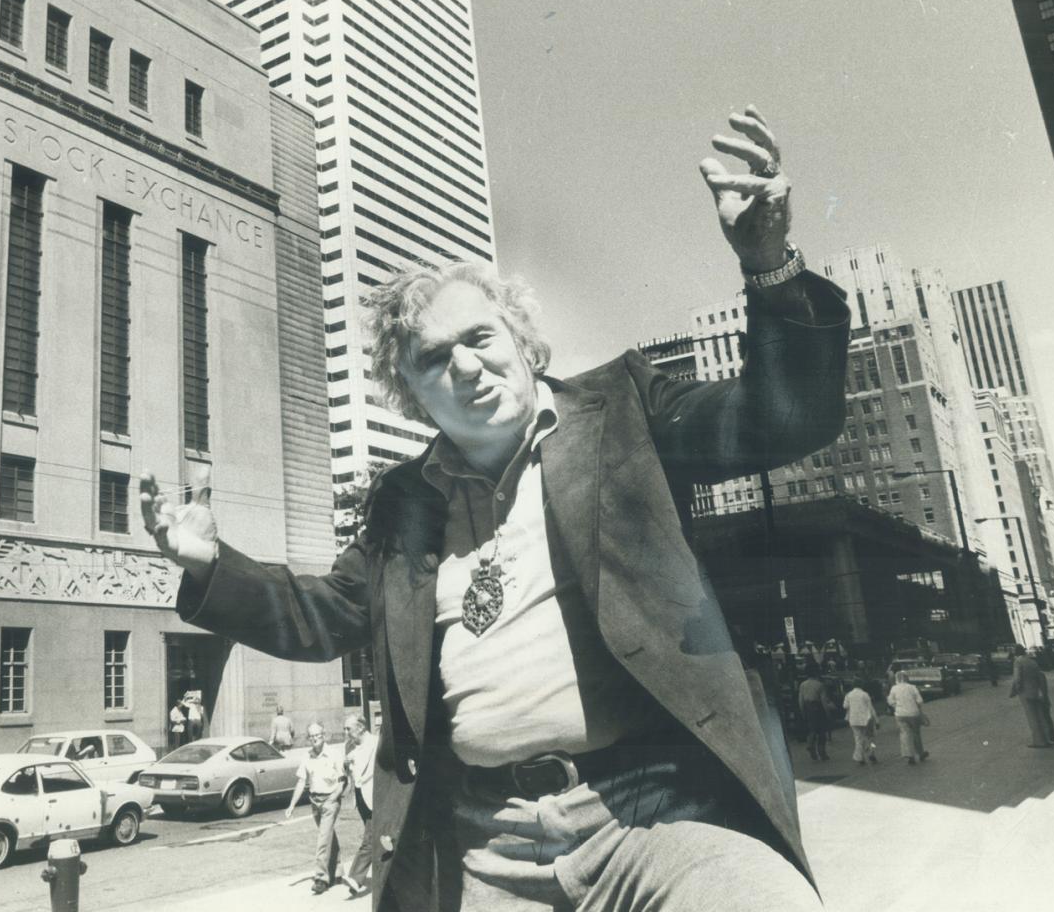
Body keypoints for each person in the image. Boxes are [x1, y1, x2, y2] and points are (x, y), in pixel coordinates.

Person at [141, 107, 848, 910]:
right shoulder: (402, 506)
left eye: (479, 337)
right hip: (484, 839)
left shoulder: (624, 409)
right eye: (434, 360)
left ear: (519, 338)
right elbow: (325, 616)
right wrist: (207, 563)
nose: (466, 367)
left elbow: (785, 417)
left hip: (656, 811)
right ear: (411, 395)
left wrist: (767, 266)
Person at [285, 721, 346, 895]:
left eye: (318, 735)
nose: (315, 739)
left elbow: (342, 781)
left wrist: (334, 798)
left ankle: (321, 878)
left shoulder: (334, 754)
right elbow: (301, 781)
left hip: (330, 800)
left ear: (324, 735)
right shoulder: (307, 756)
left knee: (322, 839)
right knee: (328, 836)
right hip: (315, 801)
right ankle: (338, 872)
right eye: (311, 736)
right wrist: (291, 805)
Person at [340, 713, 379, 897]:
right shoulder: (350, 746)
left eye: (349, 728)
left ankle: (356, 878)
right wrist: (347, 766)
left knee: (370, 838)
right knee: (376, 838)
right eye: (345, 728)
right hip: (361, 797)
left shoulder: (376, 743)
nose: (346, 732)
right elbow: (350, 773)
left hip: (375, 797)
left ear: (361, 727)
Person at [1009, 645, 1054, 748]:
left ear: (1015, 653)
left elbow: (1017, 679)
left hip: (1026, 693)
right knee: (1041, 716)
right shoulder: (1031, 661)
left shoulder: (1018, 662)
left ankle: (1039, 741)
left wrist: (1014, 691)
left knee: (1032, 718)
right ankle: (1048, 739)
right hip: (1037, 692)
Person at [886, 673, 928, 765]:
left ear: (897, 679)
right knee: (916, 733)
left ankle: (909, 755)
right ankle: (920, 753)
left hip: (900, 714)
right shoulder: (912, 687)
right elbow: (920, 701)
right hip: (913, 713)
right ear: (906, 678)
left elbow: (890, 701)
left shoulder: (894, 688)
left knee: (904, 734)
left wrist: (896, 706)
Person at [796, 665, 830, 762]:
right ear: (816, 674)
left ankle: (811, 747)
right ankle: (822, 753)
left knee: (811, 729)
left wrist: (803, 711)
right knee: (821, 732)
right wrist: (827, 713)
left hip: (807, 708)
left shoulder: (802, 685)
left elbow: (800, 700)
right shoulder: (820, 685)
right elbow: (824, 701)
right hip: (818, 708)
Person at [842, 682, 878, 766]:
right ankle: (872, 753)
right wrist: (876, 720)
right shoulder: (865, 694)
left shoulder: (849, 695)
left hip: (854, 720)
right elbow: (871, 708)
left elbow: (845, 706)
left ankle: (859, 757)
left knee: (858, 739)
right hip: (866, 719)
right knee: (871, 738)